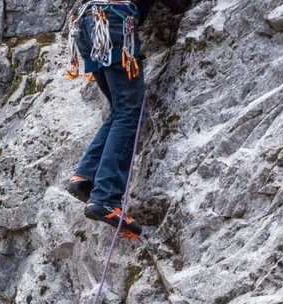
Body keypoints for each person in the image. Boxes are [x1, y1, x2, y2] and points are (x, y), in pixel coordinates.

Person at [65, 0, 192, 239]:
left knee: (119, 111)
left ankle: (85, 175)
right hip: (112, 22)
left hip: (85, 23)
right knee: (127, 113)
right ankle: (106, 197)